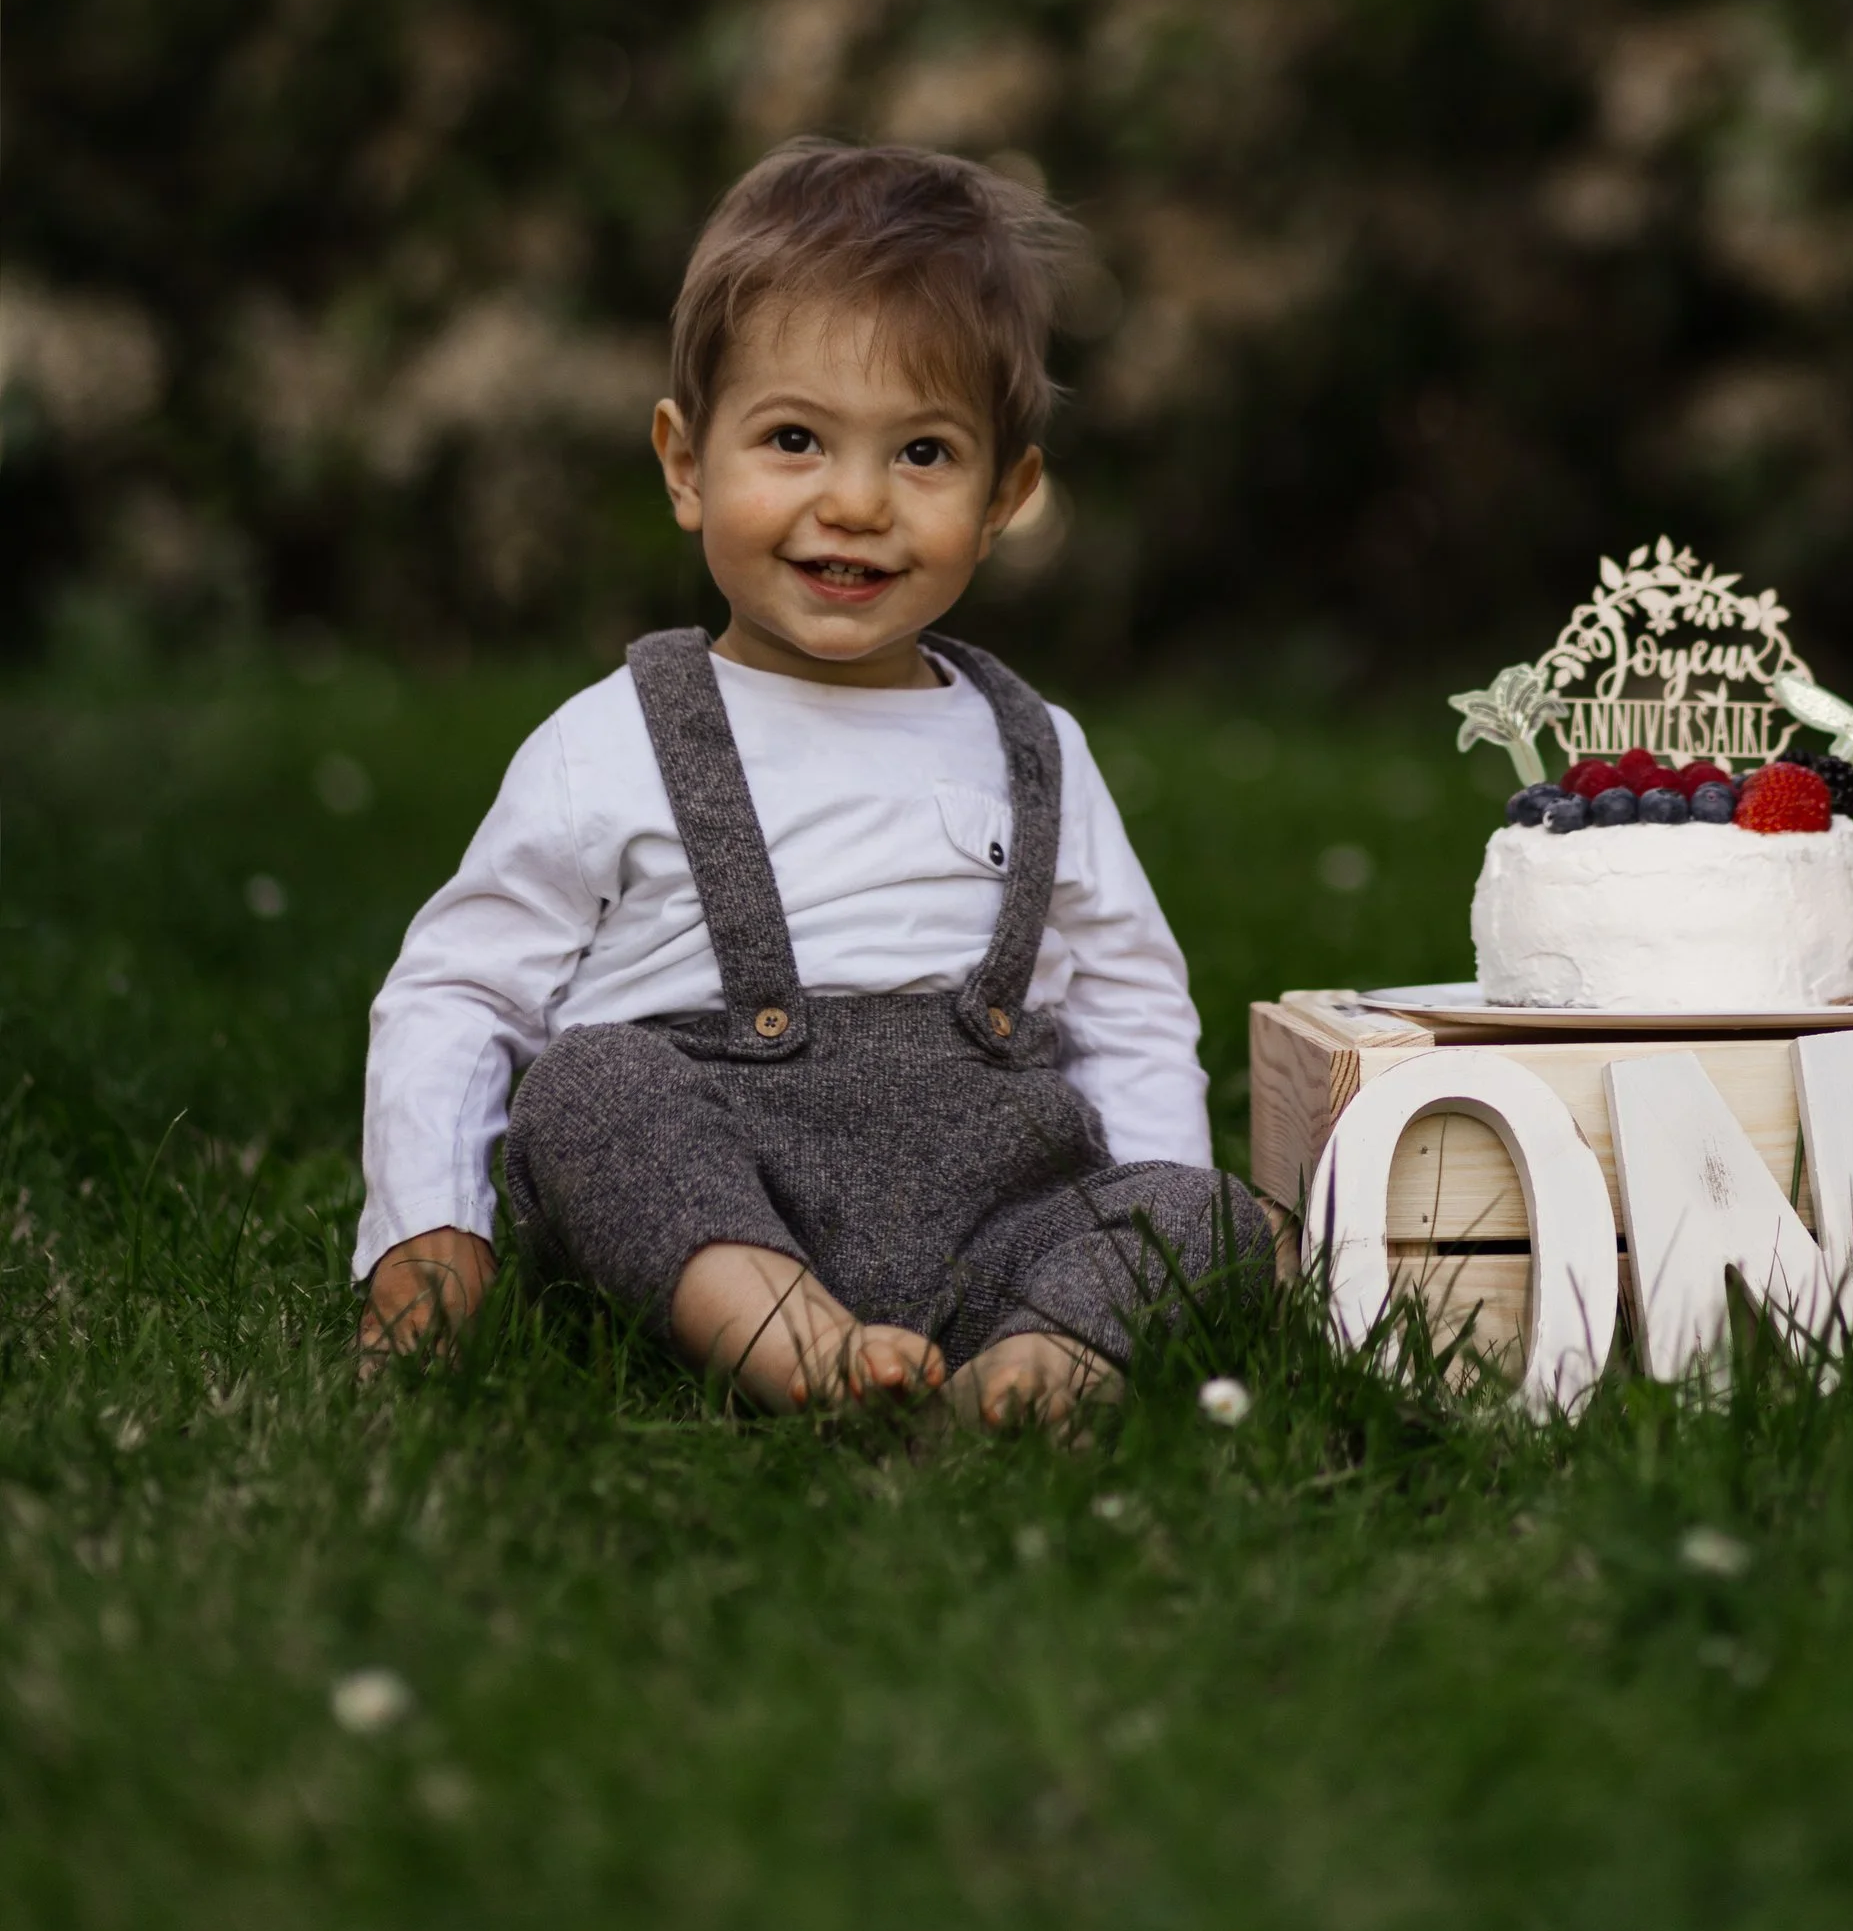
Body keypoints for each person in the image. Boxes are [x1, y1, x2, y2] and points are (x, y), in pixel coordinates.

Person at [355, 139, 1269, 1426]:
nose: (854, 502)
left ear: (1007, 494)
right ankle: (788, 1338)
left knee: (1215, 1210)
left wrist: (1142, 1232)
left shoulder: (1034, 744)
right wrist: (426, 1229)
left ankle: (1038, 1362)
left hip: (995, 1208)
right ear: (685, 463)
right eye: (794, 439)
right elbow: (458, 991)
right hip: (716, 1187)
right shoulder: (613, 738)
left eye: (923, 455)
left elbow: (1128, 1004)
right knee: (586, 1089)